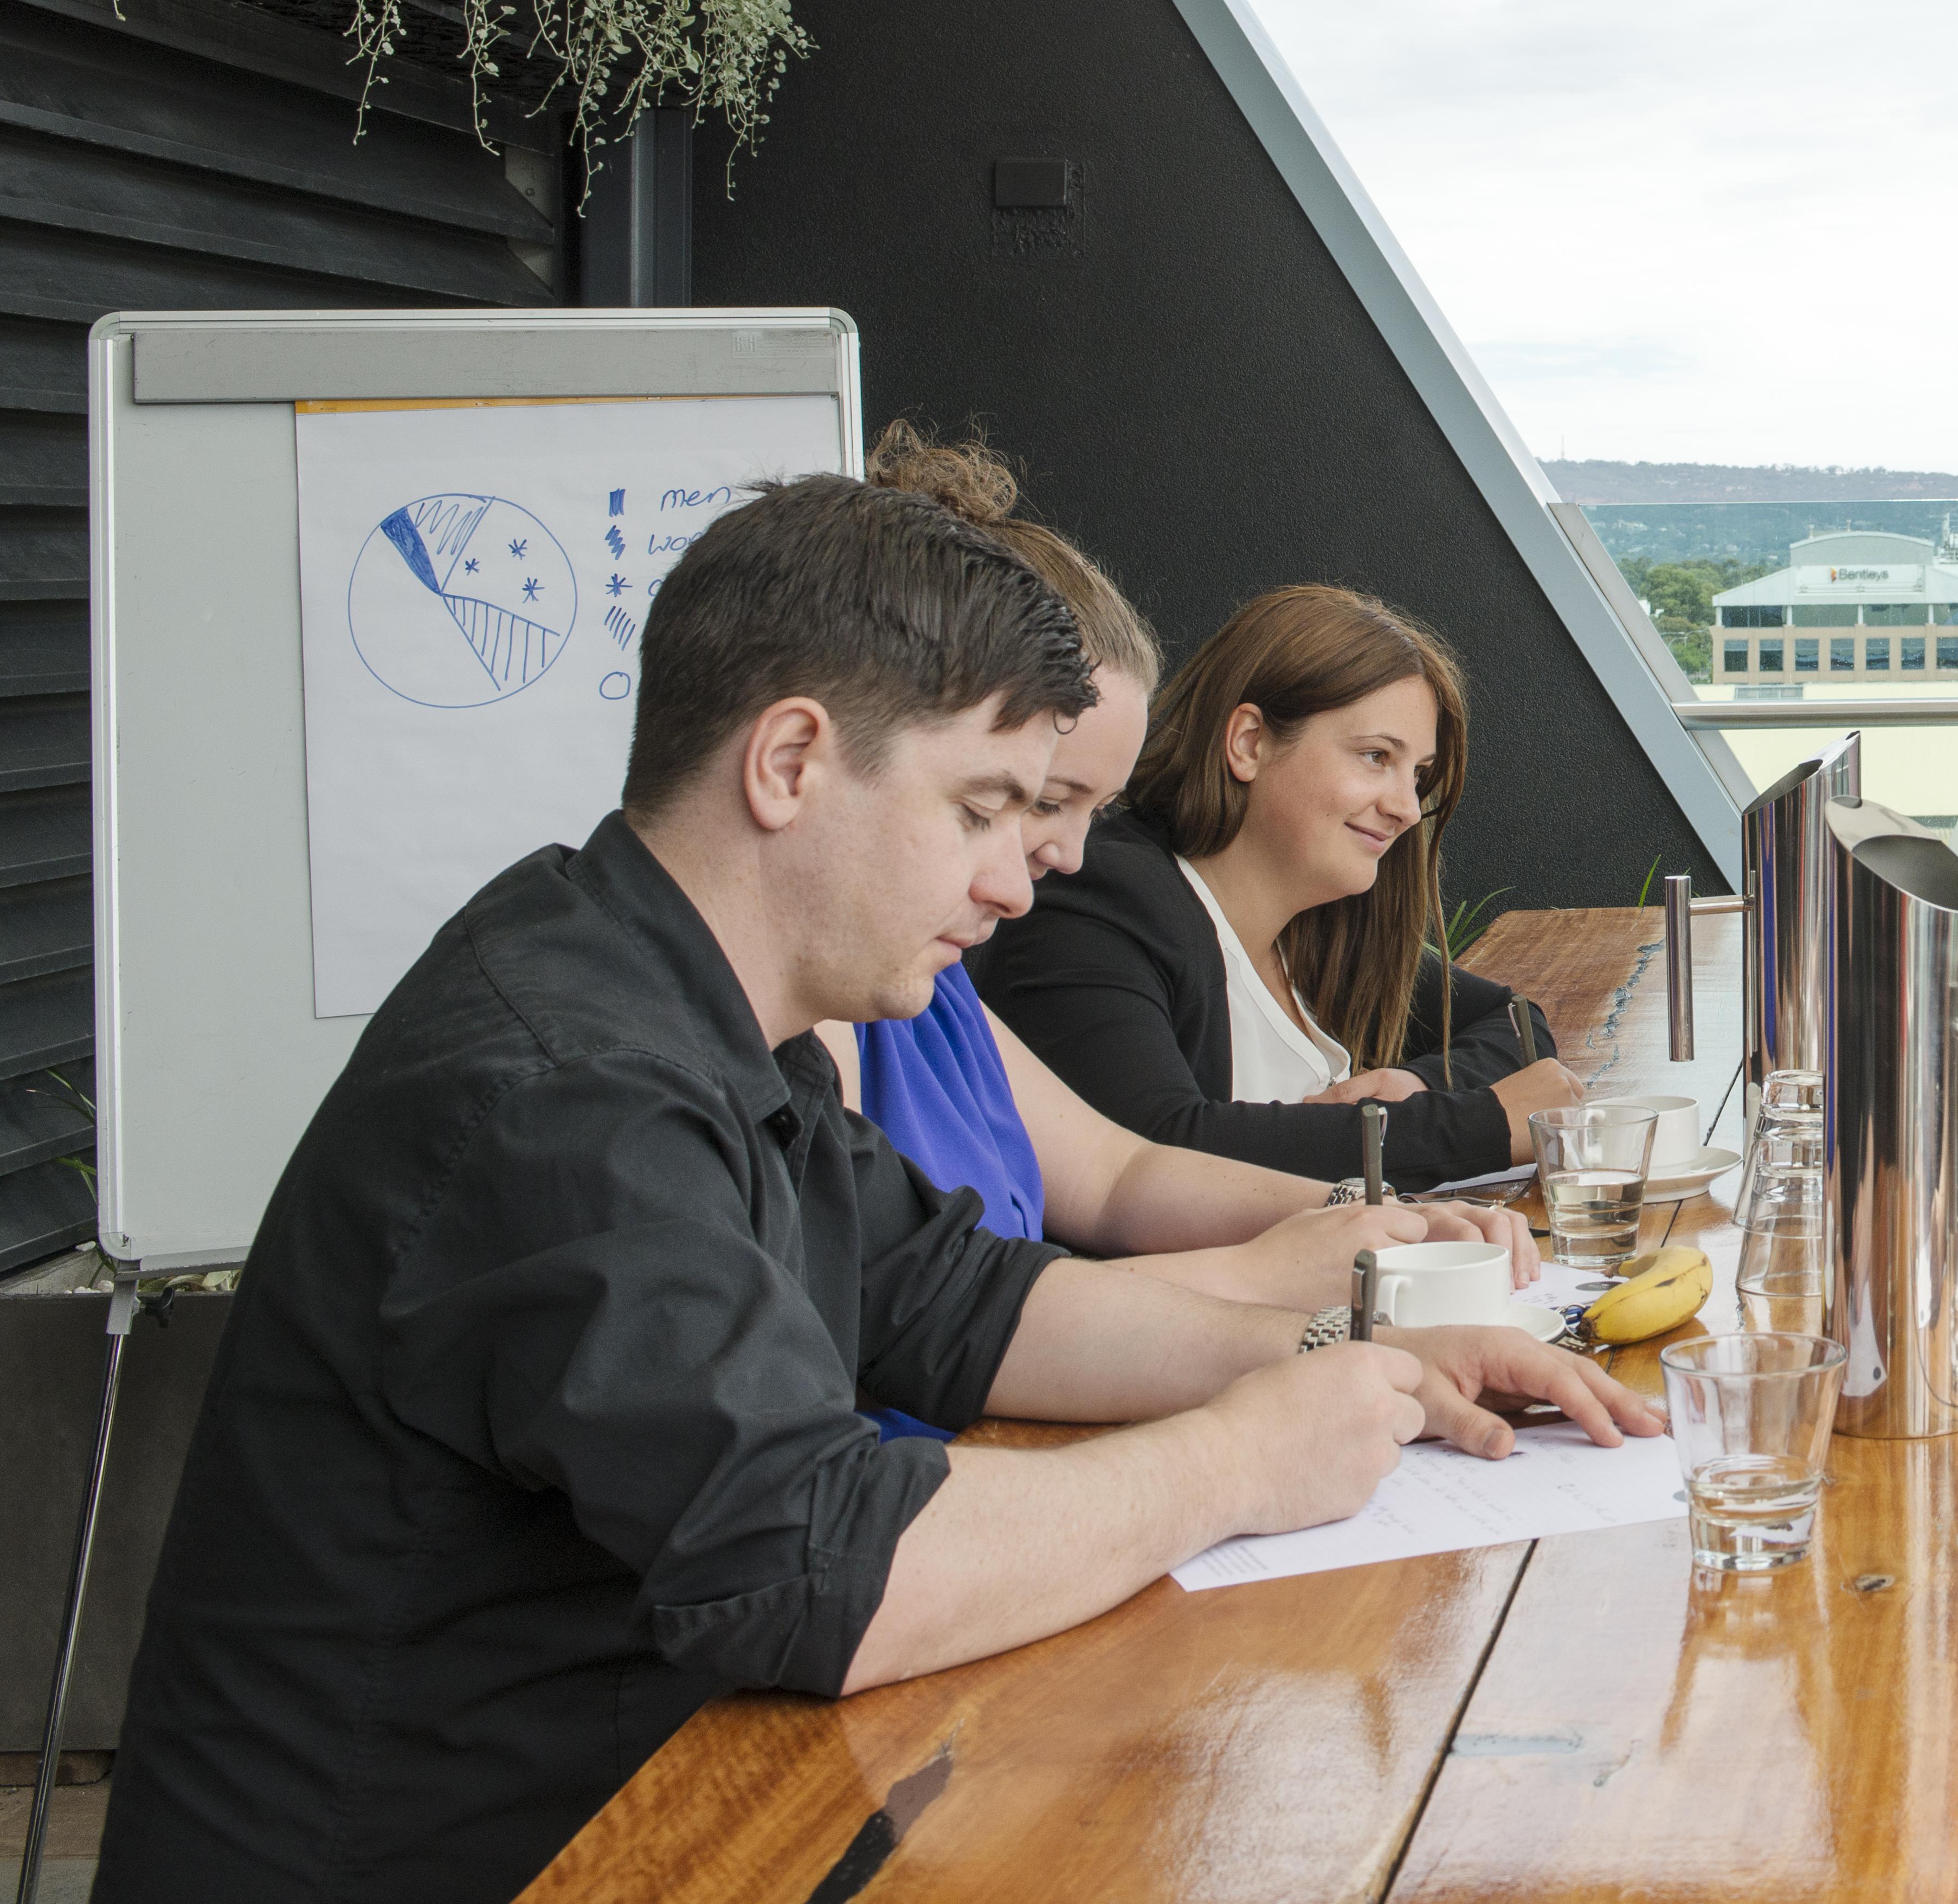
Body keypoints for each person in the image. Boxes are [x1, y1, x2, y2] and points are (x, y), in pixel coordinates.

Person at [98, 477, 1652, 1904]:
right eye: (977, 807)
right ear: (787, 761)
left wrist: (1360, 1361)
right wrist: (1242, 1458)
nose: (1011, 875)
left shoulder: (691, 1007)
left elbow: (961, 1300)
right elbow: (818, 1564)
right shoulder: (567, 1086)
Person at [823, 430, 1534, 1444]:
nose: (1038, 873)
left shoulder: (921, 987)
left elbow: (1114, 1177)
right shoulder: (1096, 901)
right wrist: (1286, 1296)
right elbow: (915, 1348)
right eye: (1005, 804)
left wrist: (1358, 1220)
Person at [976, 582, 1581, 1190]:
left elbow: (1513, 1022)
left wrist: (1419, 1086)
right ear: (1249, 743)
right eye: (1375, 756)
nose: (1404, 807)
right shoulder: (1103, 899)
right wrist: (1481, 1123)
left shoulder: (1315, 922)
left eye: (1417, 773)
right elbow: (1156, 1149)